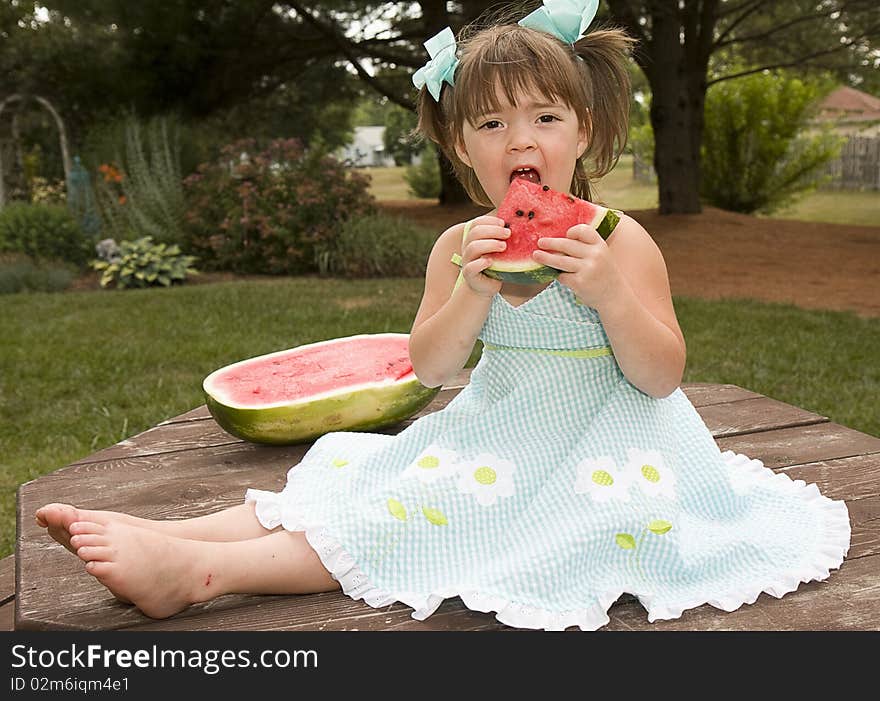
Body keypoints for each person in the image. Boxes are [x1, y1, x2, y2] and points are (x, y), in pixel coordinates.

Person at [36, 0, 850, 629]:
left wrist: (607, 292)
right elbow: (430, 368)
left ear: (584, 130)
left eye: (543, 117)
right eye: (491, 122)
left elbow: (662, 373)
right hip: (494, 428)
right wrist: (473, 287)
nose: (517, 139)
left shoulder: (621, 239)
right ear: (462, 145)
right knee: (367, 483)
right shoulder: (459, 245)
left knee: (422, 518)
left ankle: (202, 575)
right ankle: (174, 533)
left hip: (606, 448)